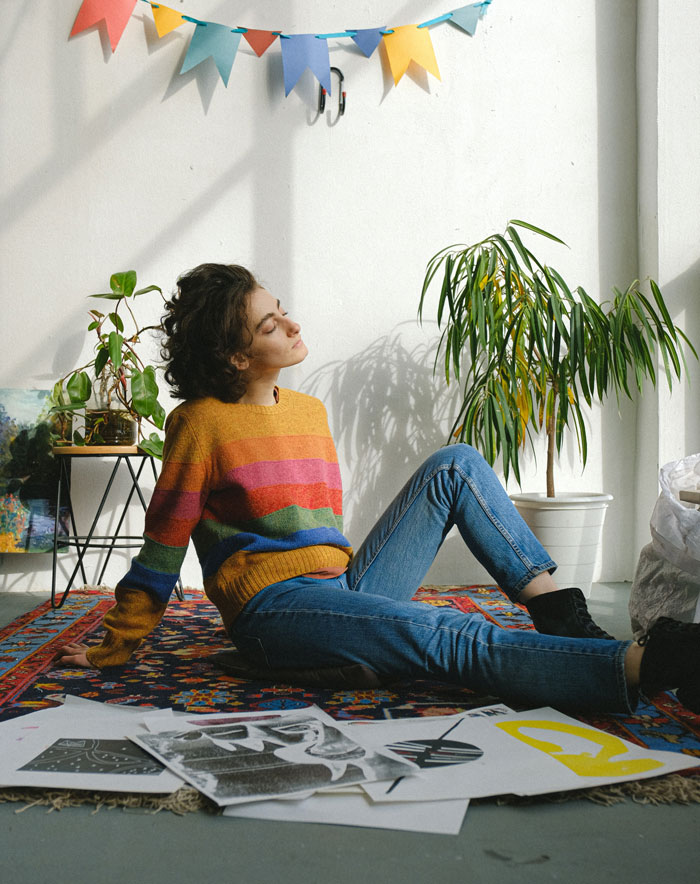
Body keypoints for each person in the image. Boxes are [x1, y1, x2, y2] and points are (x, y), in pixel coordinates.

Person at [57, 264, 700, 716]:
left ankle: (567, 620)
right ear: (234, 357)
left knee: (456, 464)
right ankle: (642, 666)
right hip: (273, 612)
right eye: (269, 324)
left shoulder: (307, 410)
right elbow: (163, 546)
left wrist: (350, 601)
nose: (289, 322)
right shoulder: (198, 423)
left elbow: (320, 533)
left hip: (341, 587)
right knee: (443, 632)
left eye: (281, 309)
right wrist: (117, 644)